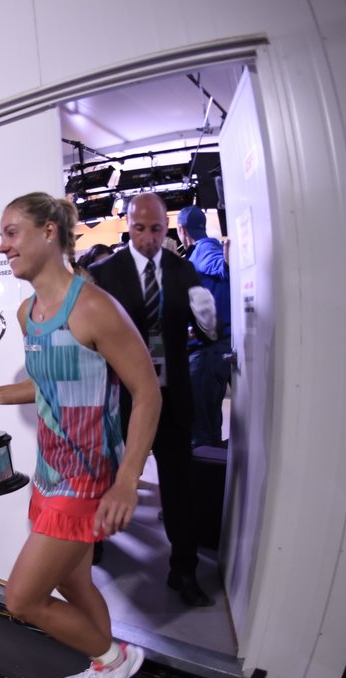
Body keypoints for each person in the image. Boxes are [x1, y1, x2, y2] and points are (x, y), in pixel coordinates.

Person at [0, 192, 161, 678]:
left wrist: (126, 479)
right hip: (50, 475)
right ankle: (103, 664)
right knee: (74, 580)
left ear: (50, 233)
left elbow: (147, 392)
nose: (2, 246)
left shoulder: (93, 307)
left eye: (11, 232)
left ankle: (113, 658)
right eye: (2, 235)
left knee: (22, 600)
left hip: (88, 481)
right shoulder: (28, 313)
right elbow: (51, 385)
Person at [89, 193, 217, 607]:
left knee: (180, 490)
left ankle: (184, 570)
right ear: (128, 223)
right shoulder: (102, 274)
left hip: (172, 400)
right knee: (104, 480)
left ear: (168, 227)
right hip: (119, 400)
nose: (148, 238)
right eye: (140, 228)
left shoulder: (184, 270)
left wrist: (209, 318)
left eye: (157, 229)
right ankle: (93, 551)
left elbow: (209, 331)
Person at [177, 205, 232, 448]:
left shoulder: (204, 248)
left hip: (207, 352)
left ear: (181, 229)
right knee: (210, 422)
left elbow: (222, 266)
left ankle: (204, 482)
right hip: (214, 349)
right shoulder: (201, 250)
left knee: (200, 429)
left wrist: (229, 256)